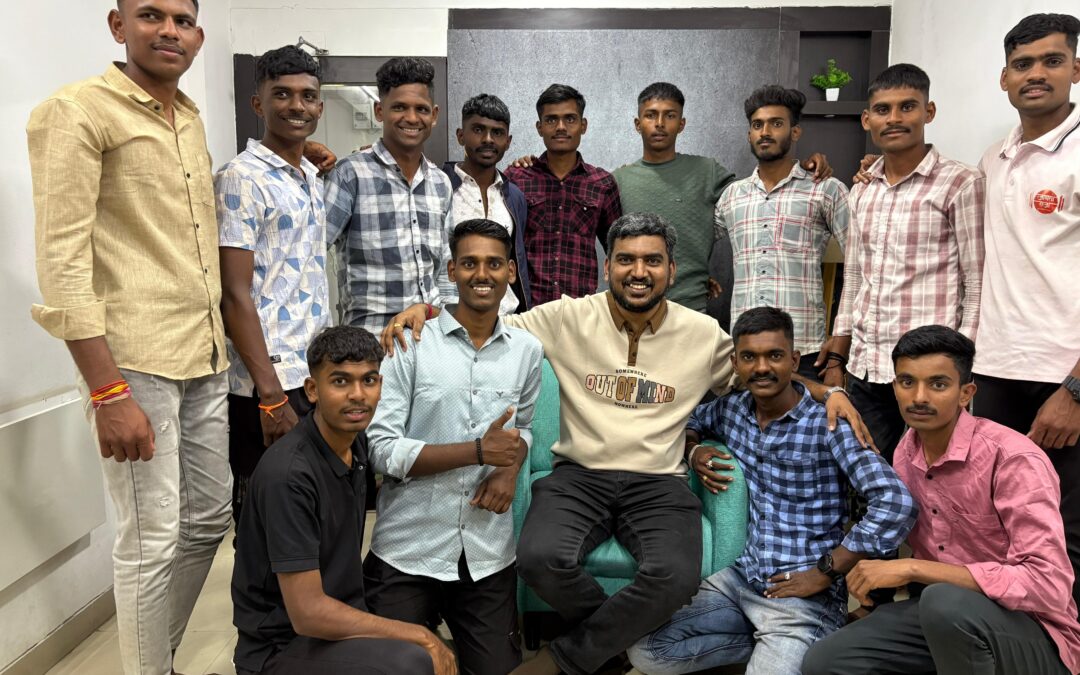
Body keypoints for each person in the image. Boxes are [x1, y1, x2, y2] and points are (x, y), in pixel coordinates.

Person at [381, 213, 873, 675]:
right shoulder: (567, 317)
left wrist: (825, 391)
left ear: (671, 270)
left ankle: (566, 658)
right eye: (626, 260)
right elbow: (485, 319)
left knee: (675, 575)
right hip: (579, 475)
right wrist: (427, 311)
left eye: (652, 260)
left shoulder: (702, 334)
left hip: (658, 482)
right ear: (607, 267)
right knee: (538, 557)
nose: (639, 272)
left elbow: (762, 368)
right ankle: (613, 651)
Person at [26, 2, 232, 672]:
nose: (169, 30)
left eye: (182, 19)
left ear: (198, 34)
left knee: (209, 519)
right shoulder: (77, 111)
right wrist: (107, 390)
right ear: (119, 27)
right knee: (150, 541)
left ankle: (156, 659)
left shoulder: (189, 118)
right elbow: (62, 263)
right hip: (133, 363)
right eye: (150, 15)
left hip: (204, 352)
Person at [627, 307, 914, 675]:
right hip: (741, 579)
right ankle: (786, 648)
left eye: (774, 355)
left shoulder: (829, 424)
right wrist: (694, 450)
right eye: (750, 357)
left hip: (803, 595)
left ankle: (803, 643)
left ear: (794, 360)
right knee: (646, 650)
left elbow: (895, 502)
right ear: (736, 363)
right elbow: (691, 420)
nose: (762, 367)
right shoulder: (732, 410)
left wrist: (827, 570)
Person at [802, 325, 1080, 675]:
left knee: (941, 599)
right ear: (895, 387)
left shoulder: (1012, 459)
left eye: (938, 384)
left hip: (1031, 632)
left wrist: (913, 568)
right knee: (826, 662)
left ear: (966, 393)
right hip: (946, 620)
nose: (919, 397)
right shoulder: (906, 452)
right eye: (907, 382)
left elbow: (1048, 585)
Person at [364, 219, 543, 675]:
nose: (482, 274)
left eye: (493, 264)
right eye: (469, 263)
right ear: (451, 270)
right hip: (408, 548)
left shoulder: (527, 350)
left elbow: (523, 429)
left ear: (511, 272)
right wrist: (477, 452)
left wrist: (508, 468)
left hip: (485, 552)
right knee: (394, 669)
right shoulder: (410, 342)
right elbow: (381, 449)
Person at [231, 326, 456, 675]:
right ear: (312, 390)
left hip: (336, 624)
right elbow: (308, 614)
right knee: (415, 659)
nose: (358, 395)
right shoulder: (289, 476)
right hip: (280, 648)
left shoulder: (355, 445)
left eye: (369, 381)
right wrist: (419, 636)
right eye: (340, 381)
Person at [972, 12, 1080, 611]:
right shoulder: (996, 157)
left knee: (1066, 531)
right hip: (995, 367)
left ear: (1076, 69)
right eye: (1023, 64)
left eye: (1051, 61)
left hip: (1061, 374)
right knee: (1001, 521)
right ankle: (1008, 643)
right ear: (1004, 78)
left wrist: (1075, 389)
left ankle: (1063, 646)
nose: (1036, 74)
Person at [825, 63, 985, 460]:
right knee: (870, 474)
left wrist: (962, 362)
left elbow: (977, 281)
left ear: (928, 112)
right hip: (868, 366)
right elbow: (855, 276)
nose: (894, 118)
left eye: (907, 107)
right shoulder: (861, 191)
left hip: (930, 372)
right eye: (883, 110)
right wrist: (840, 352)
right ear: (867, 120)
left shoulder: (960, 183)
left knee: (935, 476)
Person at [216, 45, 329, 527]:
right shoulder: (240, 178)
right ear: (257, 103)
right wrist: (270, 395)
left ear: (320, 106)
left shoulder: (310, 177)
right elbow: (233, 294)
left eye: (308, 96)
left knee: (308, 511)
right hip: (266, 385)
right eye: (282, 94)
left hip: (311, 373)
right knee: (264, 520)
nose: (296, 106)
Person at [613, 82, 833, 318]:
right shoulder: (618, 180)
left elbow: (759, 200)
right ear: (637, 124)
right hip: (630, 304)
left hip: (691, 306)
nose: (659, 123)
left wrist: (802, 167)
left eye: (670, 115)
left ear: (682, 124)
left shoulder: (706, 171)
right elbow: (614, 246)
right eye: (650, 115)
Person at [715, 85, 849, 381]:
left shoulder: (825, 190)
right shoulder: (731, 196)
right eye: (757, 125)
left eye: (776, 123)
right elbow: (696, 243)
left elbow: (861, 266)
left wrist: (839, 348)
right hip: (746, 350)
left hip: (804, 351)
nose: (765, 132)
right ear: (749, 134)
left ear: (795, 132)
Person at [324, 57, 453, 333]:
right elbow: (311, 256)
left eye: (421, 109)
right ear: (379, 111)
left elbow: (444, 270)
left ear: (434, 115)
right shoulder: (350, 175)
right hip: (370, 342)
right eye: (399, 107)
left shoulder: (440, 183)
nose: (412, 118)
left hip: (429, 339)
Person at [503, 84, 622, 307]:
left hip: (581, 311)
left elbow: (618, 250)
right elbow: (502, 244)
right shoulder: (517, 178)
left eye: (570, 119)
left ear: (583, 125)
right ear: (539, 127)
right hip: (527, 310)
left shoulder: (602, 183)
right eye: (551, 120)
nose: (560, 127)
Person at [440, 94, 531, 314]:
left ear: (508, 141)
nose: (488, 139)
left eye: (497, 132)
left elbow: (516, 260)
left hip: (506, 318)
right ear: (461, 136)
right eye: (478, 130)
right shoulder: (439, 186)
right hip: (449, 317)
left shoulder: (514, 196)